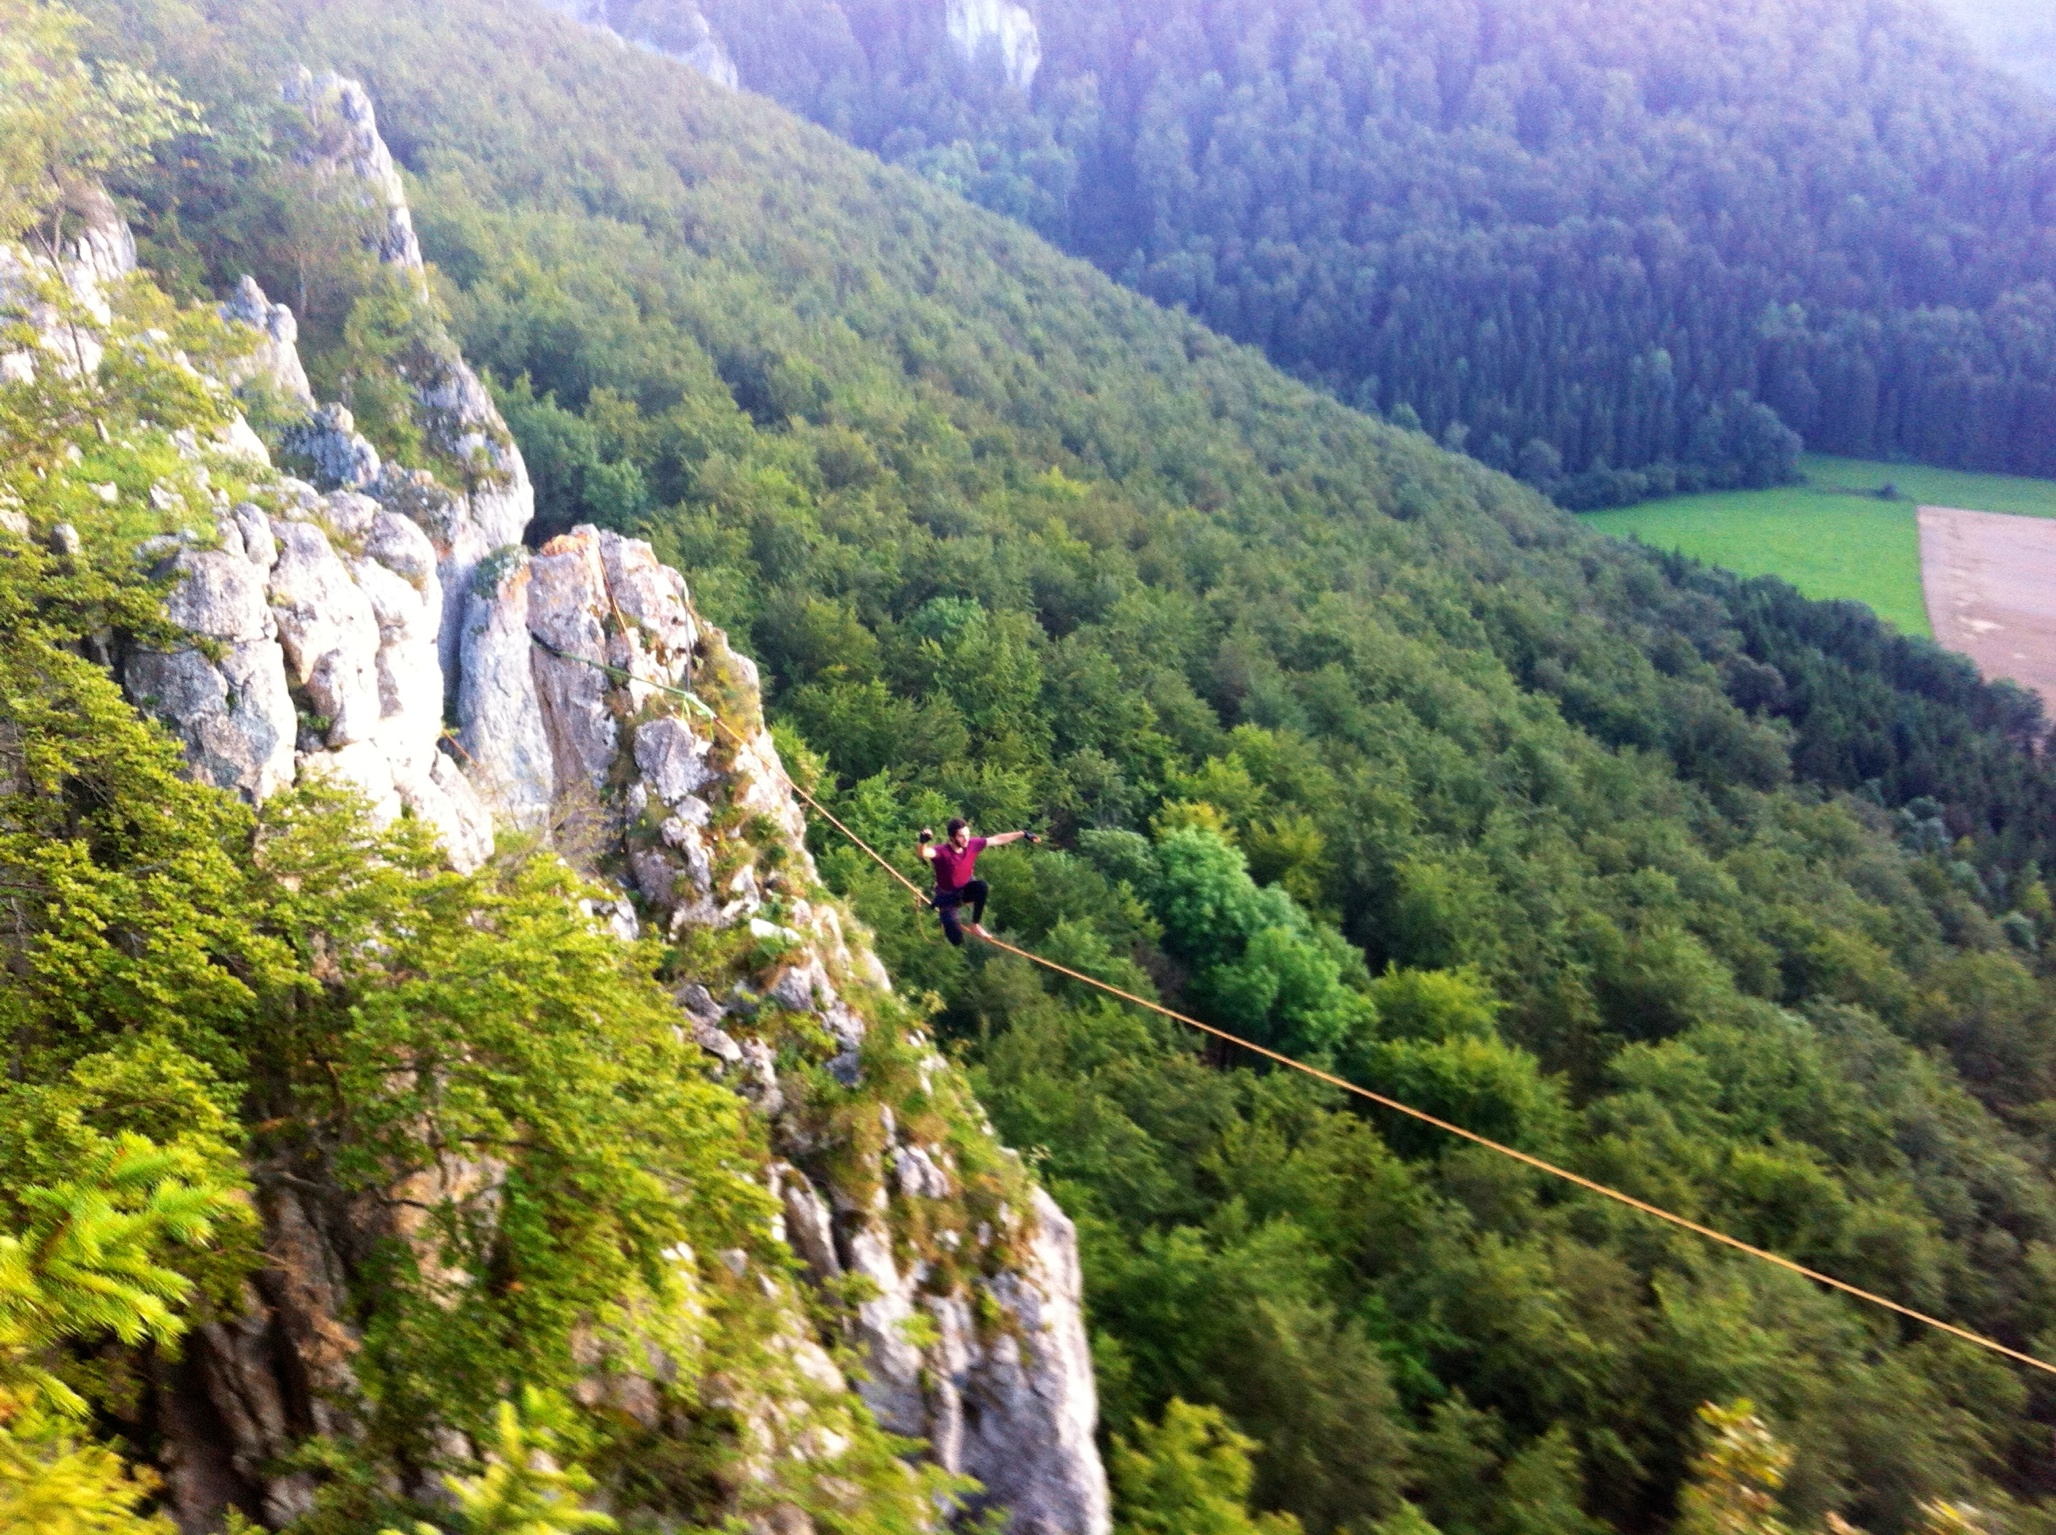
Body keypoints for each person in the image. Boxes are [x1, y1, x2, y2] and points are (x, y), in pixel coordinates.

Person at [918, 818, 1038, 945]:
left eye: (968, 835)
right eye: (961, 836)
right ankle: (949, 918)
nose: (966, 839)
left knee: (982, 886)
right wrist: (922, 842)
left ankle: (975, 925)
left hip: (965, 890)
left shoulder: (972, 844)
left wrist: (1022, 834)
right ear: (952, 837)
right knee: (956, 940)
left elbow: (997, 839)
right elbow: (924, 853)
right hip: (947, 897)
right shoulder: (942, 852)